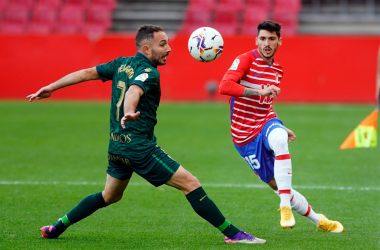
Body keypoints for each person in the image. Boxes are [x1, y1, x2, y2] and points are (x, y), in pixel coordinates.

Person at [27, 24, 266, 244]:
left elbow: (87, 72)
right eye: (162, 44)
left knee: (109, 196)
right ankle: (233, 234)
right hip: (139, 148)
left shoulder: (121, 63)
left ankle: (56, 228)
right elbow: (133, 90)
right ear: (146, 48)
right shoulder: (149, 73)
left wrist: (51, 86)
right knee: (190, 183)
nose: (169, 49)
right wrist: (129, 111)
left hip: (116, 146)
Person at [219, 20, 344, 233]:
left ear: (279, 41)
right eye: (263, 38)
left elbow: (267, 104)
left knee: (279, 139)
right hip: (244, 137)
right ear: (256, 40)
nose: (267, 43)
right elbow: (224, 86)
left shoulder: (277, 70)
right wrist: (260, 91)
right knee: (278, 186)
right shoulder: (245, 60)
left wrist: (278, 124)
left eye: (271, 39)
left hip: (265, 123)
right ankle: (319, 220)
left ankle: (284, 206)